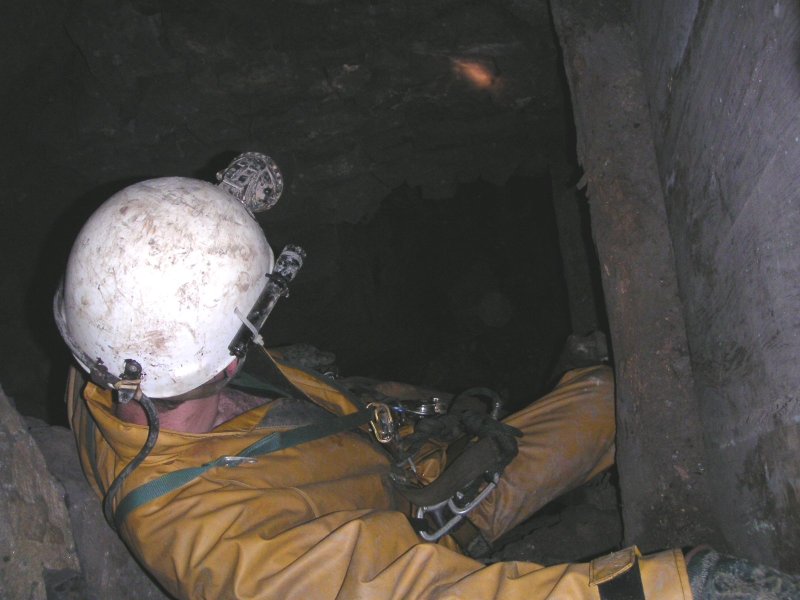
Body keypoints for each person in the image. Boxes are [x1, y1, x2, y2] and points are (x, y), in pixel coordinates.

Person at [55, 154, 799, 599]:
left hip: (406, 461)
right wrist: (682, 587)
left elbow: (148, 278)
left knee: (605, 392)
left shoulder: (117, 356)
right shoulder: (231, 557)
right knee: (613, 402)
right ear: (225, 356)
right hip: (436, 517)